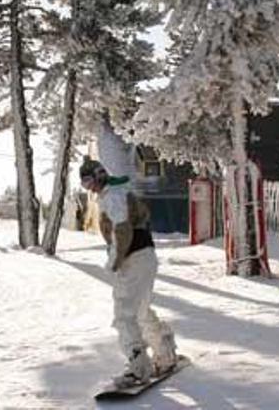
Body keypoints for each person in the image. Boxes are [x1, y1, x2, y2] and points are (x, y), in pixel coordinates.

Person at [79, 156, 177, 388]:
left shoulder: (112, 196)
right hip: (145, 256)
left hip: (133, 258)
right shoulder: (117, 192)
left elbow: (121, 231)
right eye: (84, 184)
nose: (88, 187)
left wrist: (113, 261)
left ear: (99, 176)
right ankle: (165, 354)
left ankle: (138, 368)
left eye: (88, 181)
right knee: (141, 311)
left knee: (124, 315)